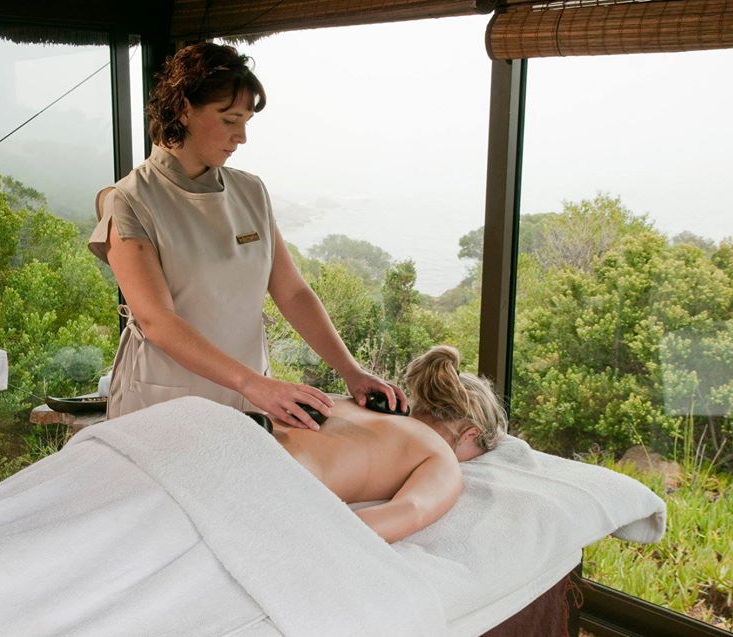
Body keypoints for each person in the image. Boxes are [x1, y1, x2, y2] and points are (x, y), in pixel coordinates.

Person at [89, 42, 406, 429]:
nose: (241, 136)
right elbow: (158, 321)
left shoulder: (251, 191)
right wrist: (254, 384)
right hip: (164, 404)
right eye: (229, 120)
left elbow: (292, 293)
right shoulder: (129, 201)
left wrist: (351, 371)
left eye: (246, 122)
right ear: (183, 109)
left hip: (250, 401)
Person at [270, 345, 508, 543]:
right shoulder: (440, 455)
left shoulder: (353, 402)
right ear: (470, 434)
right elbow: (408, 511)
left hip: (253, 435)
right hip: (275, 480)